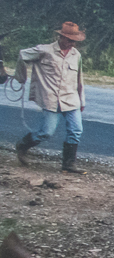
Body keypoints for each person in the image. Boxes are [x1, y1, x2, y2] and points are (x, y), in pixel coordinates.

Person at [14, 22, 88, 174]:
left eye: (74, 41)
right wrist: (21, 77)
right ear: (60, 37)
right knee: (46, 132)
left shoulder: (76, 55)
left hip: (71, 98)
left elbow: (79, 79)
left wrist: (82, 100)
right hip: (51, 99)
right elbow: (23, 55)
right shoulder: (44, 50)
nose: (72, 43)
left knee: (76, 130)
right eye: (69, 40)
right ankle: (23, 145)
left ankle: (68, 164)